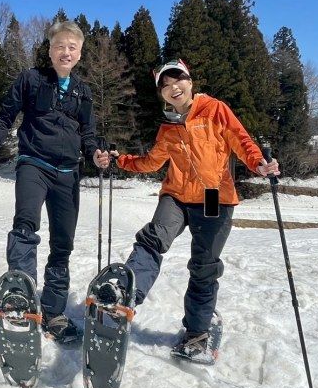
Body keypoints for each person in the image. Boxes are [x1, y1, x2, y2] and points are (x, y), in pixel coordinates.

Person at [110, 58, 279, 361]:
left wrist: (259, 164)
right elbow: (150, 162)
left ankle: (197, 333)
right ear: (161, 93)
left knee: (203, 264)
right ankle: (124, 295)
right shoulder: (167, 127)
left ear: (190, 82)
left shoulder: (215, 110)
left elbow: (242, 141)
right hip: (176, 195)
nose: (173, 87)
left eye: (178, 80)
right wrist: (120, 160)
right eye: (165, 85)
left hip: (213, 196)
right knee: (152, 239)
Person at [0, 21, 110, 342]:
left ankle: (54, 311)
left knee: (63, 244)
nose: (66, 52)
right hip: (33, 163)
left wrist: (96, 155)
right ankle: (21, 295)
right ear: (49, 50)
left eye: (72, 48)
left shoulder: (83, 91)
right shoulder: (31, 79)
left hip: (68, 173)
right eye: (60, 46)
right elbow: (6, 117)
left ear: (79, 54)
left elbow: (88, 135)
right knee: (26, 224)